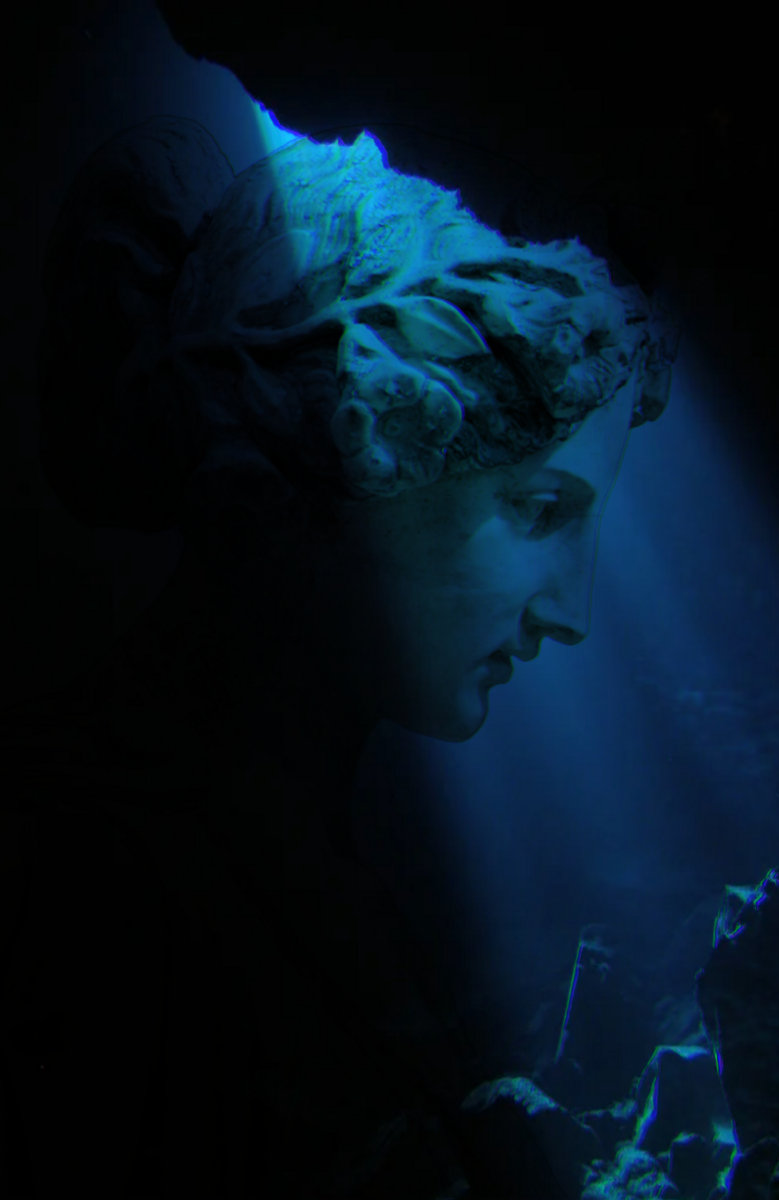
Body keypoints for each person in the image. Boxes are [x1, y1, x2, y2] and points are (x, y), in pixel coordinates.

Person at [2, 116, 677, 1197]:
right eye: (538, 508)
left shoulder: (283, 861)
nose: (573, 613)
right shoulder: (81, 884)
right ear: (328, 463)